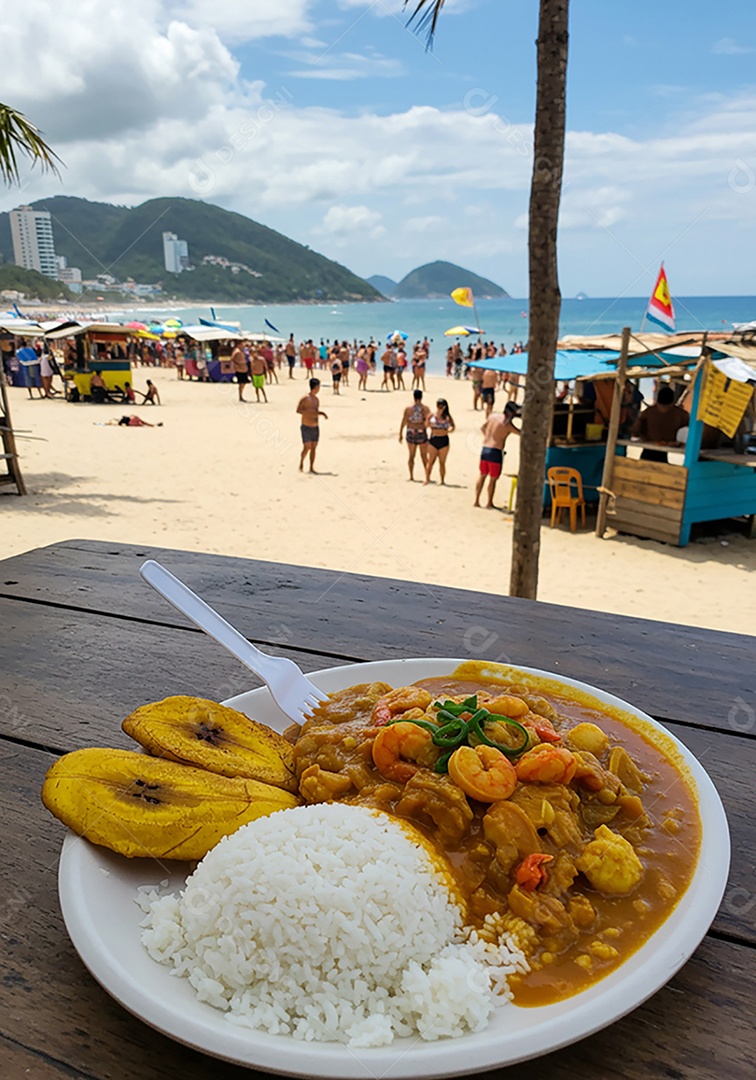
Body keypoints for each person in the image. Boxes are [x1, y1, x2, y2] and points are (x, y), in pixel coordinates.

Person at [474, 402, 521, 509]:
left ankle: (476, 500)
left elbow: (482, 428)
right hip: (495, 451)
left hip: (485, 448)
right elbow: (520, 433)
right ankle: (489, 502)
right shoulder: (507, 424)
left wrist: (489, 437)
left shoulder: (493, 417)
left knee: (482, 475)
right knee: (493, 479)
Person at [631, 384, 689, 462]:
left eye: (665, 407)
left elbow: (635, 432)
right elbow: (635, 432)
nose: (664, 410)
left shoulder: (648, 412)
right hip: (653, 449)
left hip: (657, 449)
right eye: (662, 407)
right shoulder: (680, 414)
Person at [399, 389, 431, 481]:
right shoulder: (425, 409)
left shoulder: (408, 409)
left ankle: (411, 476)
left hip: (411, 431)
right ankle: (427, 476)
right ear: (421, 397)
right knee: (424, 456)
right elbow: (428, 422)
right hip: (421, 431)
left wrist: (400, 433)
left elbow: (404, 421)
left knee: (411, 455)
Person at [297, 378, 328, 472]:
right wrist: (308, 413)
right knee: (307, 447)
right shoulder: (305, 398)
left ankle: (311, 467)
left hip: (315, 426)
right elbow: (298, 410)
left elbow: (316, 411)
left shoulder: (316, 399)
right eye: (319, 386)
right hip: (306, 425)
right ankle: (301, 462)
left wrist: (321, 414)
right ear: (315, 387)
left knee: (314, 447)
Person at [425, 399, 455, 485]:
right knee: (430, 461)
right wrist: (429, 423)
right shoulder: (432, 416)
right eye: (438, 405)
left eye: (441, 406)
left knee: (442, 462)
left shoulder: (447, 417)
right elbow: (426, 425)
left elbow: (453, 426)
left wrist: (449, 430)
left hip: (443, 439)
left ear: (445, 407)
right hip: (434, 438)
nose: (440, 407)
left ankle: (442, 480)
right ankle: (427, 479)